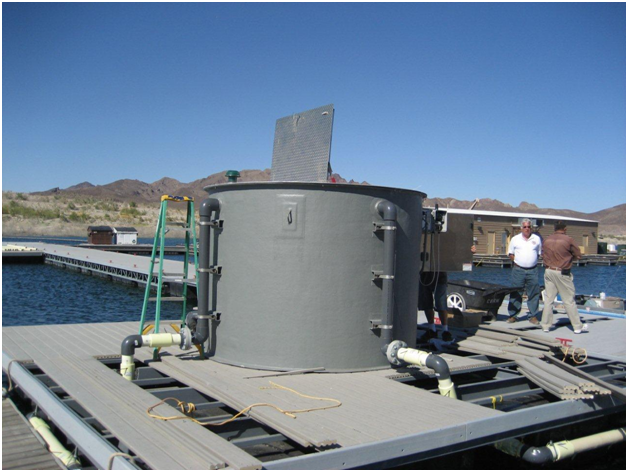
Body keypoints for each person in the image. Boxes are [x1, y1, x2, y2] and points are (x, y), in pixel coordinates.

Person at [418, 245, 476, 343]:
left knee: (441, 302)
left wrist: (469, 252)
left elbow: (457, 251)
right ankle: (432, 329)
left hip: (440, 274)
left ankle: (445, 330)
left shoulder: (445, 242)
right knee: (426, 302)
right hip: (424, 272)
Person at [540, 221, 586, 333]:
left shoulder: (547, 240)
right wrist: (570, 259)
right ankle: (577, 326)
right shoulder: (568, 240)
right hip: (562, 272)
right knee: (568, 300)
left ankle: (545, 325)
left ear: (554, 228)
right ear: (565, 229)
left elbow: (542, 254)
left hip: (548, 271)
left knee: (549, 300)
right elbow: (578, 255)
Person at [507, 219, 542, 324]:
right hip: (518, 270)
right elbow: (510, 254)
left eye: (529, 227)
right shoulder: (515, 239)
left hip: (533, 270)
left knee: (534, 293)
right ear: (521, 228)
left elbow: (539, 253)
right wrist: (518, 262)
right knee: (516, 292)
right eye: (525, 227)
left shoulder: (537, 239)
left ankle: (533, 316)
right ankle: (513, 315)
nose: (527, 229)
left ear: (531, 228)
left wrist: (531, 262)